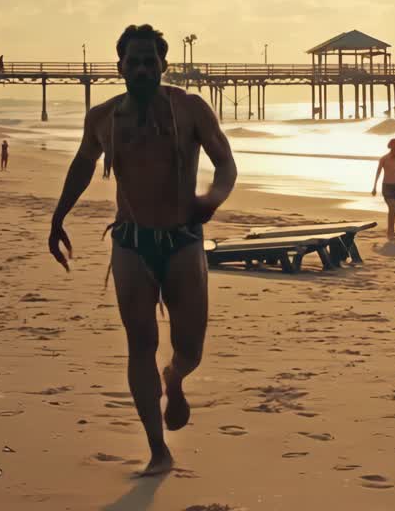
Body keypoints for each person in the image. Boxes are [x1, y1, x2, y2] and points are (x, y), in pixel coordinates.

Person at [48, 24, 237, 477]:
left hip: (183, 244)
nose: (140, 67)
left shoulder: (189, 110)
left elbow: (225, 160)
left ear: (162, 65)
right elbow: (82, 163)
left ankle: (176, 378)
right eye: (132, 61)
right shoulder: (103, 117)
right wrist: (58, 218)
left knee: (190, 348)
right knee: (140, 344)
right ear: (120, 67)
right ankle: (157, 449)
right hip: (131, 244)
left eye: (149, 60)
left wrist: (212, 199)